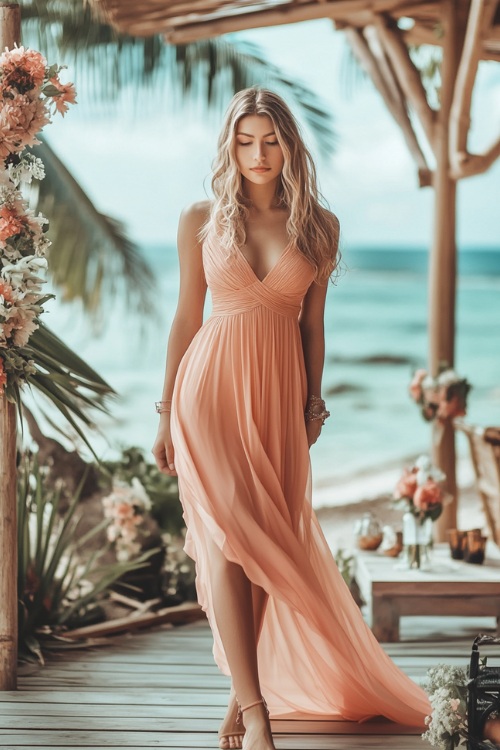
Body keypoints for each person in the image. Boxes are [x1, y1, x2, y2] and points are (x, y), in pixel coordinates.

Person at [152, 87, 431, 750]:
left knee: (267, 546)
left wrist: (313, 403)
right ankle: (257, 716)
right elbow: (187, 318)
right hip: (207, 393)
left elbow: (312, 328)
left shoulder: (319, 227)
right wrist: (165, 413)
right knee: (225, 539)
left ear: (289, 143)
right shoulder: (200, 217)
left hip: (278, 398)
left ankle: (238, 698)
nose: (257, 154)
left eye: (269, 140)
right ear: (230, 144)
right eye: (245, 141)